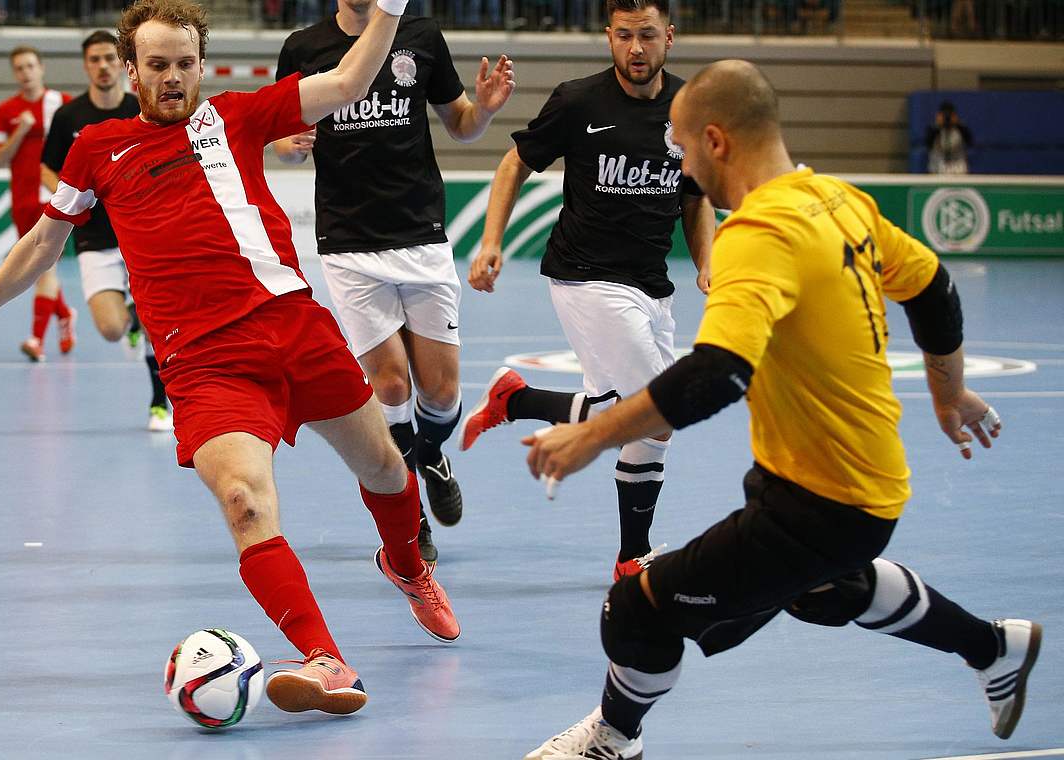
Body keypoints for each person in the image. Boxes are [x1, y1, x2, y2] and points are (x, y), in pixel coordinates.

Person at [0, 0, 459, 717]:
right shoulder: (97, 147)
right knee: (245, 503)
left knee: (385, 471)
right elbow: (42, 242)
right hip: (205, 364)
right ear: (131, 71)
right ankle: (325, 659)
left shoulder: (238, 117)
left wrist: (392, 10)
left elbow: (345, 84)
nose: (174, 77)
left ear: (201, 66)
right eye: (157, 66)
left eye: (186, 64)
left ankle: (405, 565)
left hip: (294, 328)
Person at [521, 59, 1041, 759]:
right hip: (847, 482)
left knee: (637, 611)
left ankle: (613, 739)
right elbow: (933, 286)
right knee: (827, 590)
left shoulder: (758, 233)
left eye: (679, 145)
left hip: (824, 503)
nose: (675, 162)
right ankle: (993, 648)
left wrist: (591, 438)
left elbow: (716, 376)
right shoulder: (838, 200)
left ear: (716, 140)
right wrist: (948, 391)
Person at [464, 0, 713, 582]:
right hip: (586, 277)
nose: (635, 49)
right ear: (609, 38)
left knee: (630, 420)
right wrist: (490, 242)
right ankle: (633, 561)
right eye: (624, 36)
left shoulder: (690, 109)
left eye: (646, 36)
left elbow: (696, 197)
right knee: (658, 412)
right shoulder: (579, 100)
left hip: (654, 287)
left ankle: (517, 402)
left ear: (668, 37)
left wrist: (707, 261)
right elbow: (513, 163)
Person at [272, 0, 515, 562]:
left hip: (421, 236)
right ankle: (413, 513)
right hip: (348, 244)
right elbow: (282, 138)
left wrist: (483, 109)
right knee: (389, 386)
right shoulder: (303, 49)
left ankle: (429, 453)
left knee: (442, 391)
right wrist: (289, 147)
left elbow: (460, 124)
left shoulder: (422, 36)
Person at [40, 30, 173, 432]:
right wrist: (74, 199)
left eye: (109, 59)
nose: (102, 66)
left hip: (141, 234)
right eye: (94, 59)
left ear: (123, 64)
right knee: (112, 330)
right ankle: (130, 318)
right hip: (94, 239)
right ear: (86, 65)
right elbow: (48, 169)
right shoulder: (69, 117)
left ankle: (158, 402)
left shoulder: (141, 109)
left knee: (157, 321)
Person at [0, 45, 77, 362]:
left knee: (44, 268)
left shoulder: (63, 105)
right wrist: (20, 130)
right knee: (39, 269)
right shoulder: (5, 111)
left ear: (42, 68)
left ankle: (36, 340)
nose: (26, 73)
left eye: (30, 66)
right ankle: (65, 315)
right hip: (22, 201)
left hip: (56, 200)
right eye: (19, 68)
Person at [927, 100, 973, 175]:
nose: (947, 119)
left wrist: (958, 124)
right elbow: (928, 145)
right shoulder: (933, 130)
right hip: (938, 168)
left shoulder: (961, 130)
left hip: (958, 168)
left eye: (949, 115)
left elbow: (970, 143)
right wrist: (937, 126)